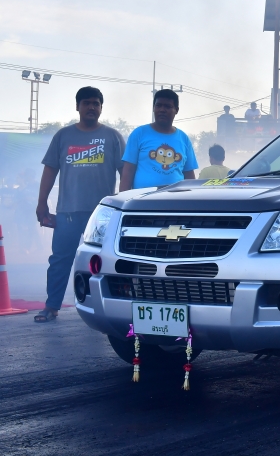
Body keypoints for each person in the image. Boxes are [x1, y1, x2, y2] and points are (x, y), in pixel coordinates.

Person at [35, 86, 126, 322]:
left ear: (101, 108)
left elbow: (125, 173)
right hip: (68, 212)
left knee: (102, 262)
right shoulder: (63, 136)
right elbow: (50, 170)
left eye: (96, 103)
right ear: (78, 106)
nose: (91, 107)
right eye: (86, 103)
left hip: (102, 215)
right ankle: (51, 306)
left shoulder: (112, 137)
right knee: (60, 260)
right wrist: (42, 203)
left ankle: (103, 309)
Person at [119, 89, 198, 191]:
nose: (162, 110)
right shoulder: (139, 134)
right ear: (153, 108)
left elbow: (189, 176)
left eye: (167, 106)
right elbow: (127, 173)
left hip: (176, 199)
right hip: (143, 199)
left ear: (176, 110)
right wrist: (123, 198)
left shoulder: (184, 139)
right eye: (158, 105)